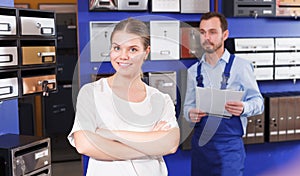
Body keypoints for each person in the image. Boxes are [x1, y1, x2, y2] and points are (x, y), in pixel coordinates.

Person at [68, 18, 180, 176]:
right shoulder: (91, 93)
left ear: (146, 52)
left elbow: (169, 145)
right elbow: (84, 145)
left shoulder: (161, 99)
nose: (123, 56)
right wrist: (150, 145)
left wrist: (107, 133)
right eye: (117, 48)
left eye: (133, 49)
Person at [184, 12, 264, 176]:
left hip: (229, 148)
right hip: (202, 148)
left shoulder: (241, 67)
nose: (207, 37)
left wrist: (244, 107)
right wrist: (190, 114)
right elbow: (187, 107)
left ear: (225, 35)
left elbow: (258, 102)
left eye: (212, 32)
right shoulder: (193, 71)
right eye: (202, 32)